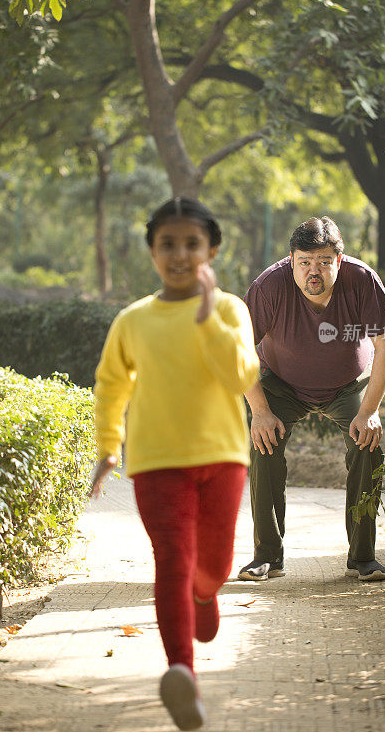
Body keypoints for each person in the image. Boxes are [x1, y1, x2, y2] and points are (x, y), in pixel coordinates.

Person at [89, 197, 259, 731]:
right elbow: (111, 386)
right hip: (157, 463)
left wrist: (207, 320)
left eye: (192, 243)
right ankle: (180, 672)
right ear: (152, 251)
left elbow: (241, 377)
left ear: (211, 250)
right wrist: (108, 448)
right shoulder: (133, 320)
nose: (180, 254)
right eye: (168, 243)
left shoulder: (230, 309)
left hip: (223, 459)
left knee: (213, 564)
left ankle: (206, 594)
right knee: (171, 559)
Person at [238, 216, 385, 584]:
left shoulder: (361, 279)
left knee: (367, 443)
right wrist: (260, 410)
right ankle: (266, 556)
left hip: (347, 384)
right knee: (264, 445)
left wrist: (370, 411)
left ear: (339, 262)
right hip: (281, 384)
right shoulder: (269, 286)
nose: (316, 271)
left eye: (325, 262)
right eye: (306, 262)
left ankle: (363, 557)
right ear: (291, 259)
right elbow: (238, 349)